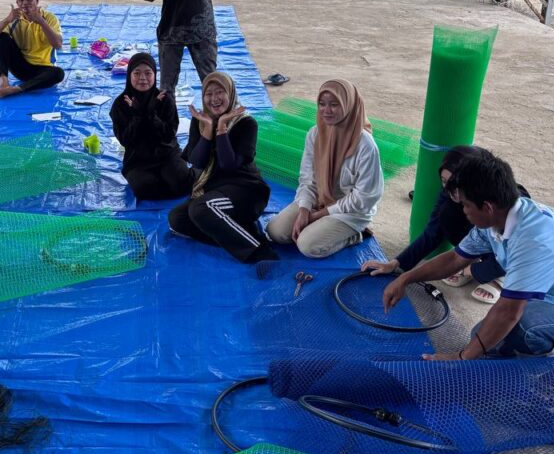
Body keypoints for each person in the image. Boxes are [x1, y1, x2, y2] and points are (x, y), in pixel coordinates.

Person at [382, 151, 554, 360]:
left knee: (517, 332)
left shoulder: (534, 240)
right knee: (487, 338)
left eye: (466, 205)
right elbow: (455, 259)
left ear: (487, 206)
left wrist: (461, 357)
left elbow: (508, 312)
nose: (463, 211)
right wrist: (405, 278)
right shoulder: (502, 215)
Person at [362, 145, 529, 304]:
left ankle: (498, 274)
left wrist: (473, 270)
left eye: (454, 185)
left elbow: (511, 313)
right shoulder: (455, 193)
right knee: (448, 215)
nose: (450, 191)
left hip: (521, 259)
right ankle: (476, 261)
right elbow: (444, 246)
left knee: (510, 263)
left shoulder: (520, 223)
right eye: (444, 182)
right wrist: (398, 267)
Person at [267, 80, 383, 259]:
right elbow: (308, 179)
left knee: (308, 246)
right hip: (319, 200)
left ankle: (355, 235)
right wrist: (304, 210)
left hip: (350, 211)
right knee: (276, 232)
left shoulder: (365, 145)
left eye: (334, 104)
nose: (326, 110)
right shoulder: (315, 134)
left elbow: (364, 198)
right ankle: (319, 225)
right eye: (322, 104)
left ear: (348, 105)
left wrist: (318, 215)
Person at [168, 72, 274, 262]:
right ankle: (238, 232)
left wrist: (222, 128)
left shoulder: (246, 123)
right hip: (215, 190)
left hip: (246, 191)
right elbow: (198, 162)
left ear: (230, 93)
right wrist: (208, 129)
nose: (214, 99)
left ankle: (258, 250)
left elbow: (229, 165)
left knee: (201, 209)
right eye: (208, 94)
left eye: (220, 92)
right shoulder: (200, 121)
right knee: (177, 219)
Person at [110, 52, 193, 200]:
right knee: (144, 188)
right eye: (137, 73)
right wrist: (137, 114)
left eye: (148, 73)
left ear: (155, 75)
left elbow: (168, 135)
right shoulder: (121, 104)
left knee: (182, 183)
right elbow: (125, 140)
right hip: (137, 159)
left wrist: (151, 112)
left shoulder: (165, 100)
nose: (143, 78)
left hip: (166, 153)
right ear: (129, 75)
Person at [0, 0, 64, 99]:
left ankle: (15, 90)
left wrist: (41, 21)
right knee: (0, 36)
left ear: (37, 1)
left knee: (58, 73)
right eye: (21, 0)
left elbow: (58, 45)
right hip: (20, 67)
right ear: (17, 3)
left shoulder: (49, 18)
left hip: (43, 70)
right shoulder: (15, 19)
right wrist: (7, 20)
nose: (25, 3)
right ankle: (3, 82)